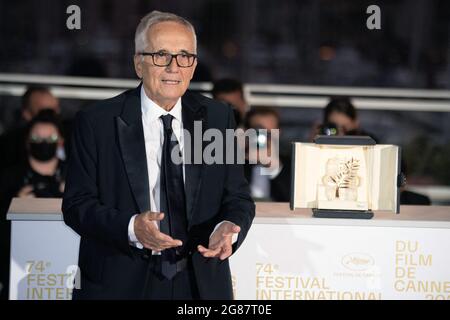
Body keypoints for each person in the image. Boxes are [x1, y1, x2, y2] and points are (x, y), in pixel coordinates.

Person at [62, 11, 255, 300]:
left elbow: (237, 198)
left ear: (194, 66)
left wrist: (226, 227)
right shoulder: (96, 122)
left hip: (199, 281)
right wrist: (131, 228)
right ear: (138, 63)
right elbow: (76, 206)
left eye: (184, 56)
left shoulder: (218, 117)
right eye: (161, 55)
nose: (173, 67)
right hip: (120, 281)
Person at [0, 109, 66, 300]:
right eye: (37, 138)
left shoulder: (76, 176)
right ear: (27, 142)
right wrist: (15, 208)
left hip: (65, 271)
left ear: (60, 141)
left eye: (50, 137)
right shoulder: (9, 178)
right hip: (18, 273)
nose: (44, 143)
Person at [0, 86, 65, 169]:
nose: (51, 117)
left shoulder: (71, 136)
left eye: (55, 110)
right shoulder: (9, 146)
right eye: (44, 112)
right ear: (27, 114)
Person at [243, 106, 291, 202]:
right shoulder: (232, 165)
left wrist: (275, 168)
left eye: (270, 133)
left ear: (279, 132)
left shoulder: (292, 164)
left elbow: (295, 203)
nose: (265, 138)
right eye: (259, 132)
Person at [310, 97, 377, 142]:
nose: (340, 136)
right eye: (333, 131)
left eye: (346, 130)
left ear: (356, 123)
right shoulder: (319, 147)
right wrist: (314, 142)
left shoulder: (371, 143)